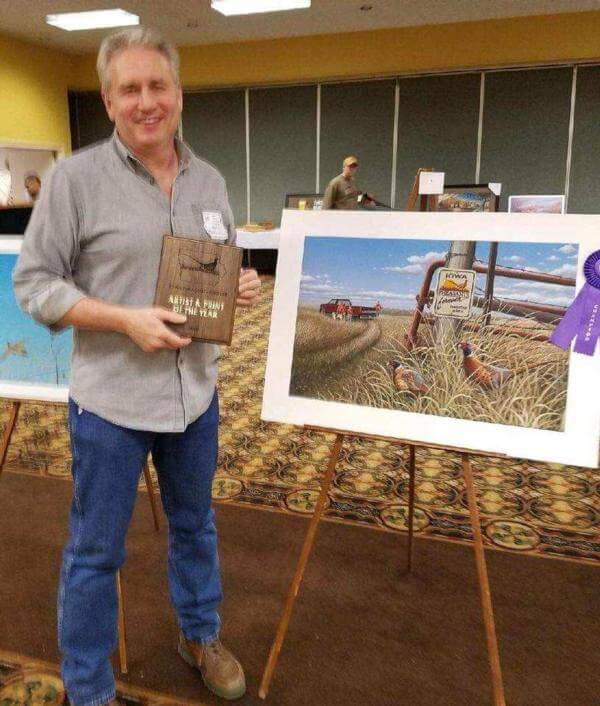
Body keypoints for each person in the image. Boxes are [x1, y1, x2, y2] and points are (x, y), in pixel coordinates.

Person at [13, 26, 260, 706]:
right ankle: (88, 687)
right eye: (130, 89)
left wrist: (237, 286)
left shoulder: (210, 180)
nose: (146, 102)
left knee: (195, 526)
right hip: (111, 407)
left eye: (158, 86)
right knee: (96, 551)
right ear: (108, 99)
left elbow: (216, 264)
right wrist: (124, 319)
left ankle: (199, 635)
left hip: (195, 397)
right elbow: (34, 284)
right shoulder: (74, 181)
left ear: (178, 93)